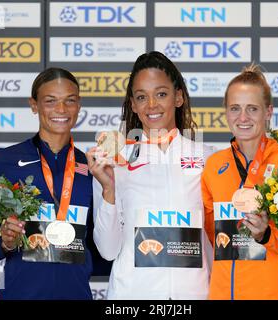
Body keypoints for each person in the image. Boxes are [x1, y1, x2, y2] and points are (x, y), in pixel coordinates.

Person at [87, 51, 214, 299]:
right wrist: (109, 190)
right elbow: (107, 250)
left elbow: (216, 243)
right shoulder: (113, 161)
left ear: (178, 97)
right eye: (142, 97)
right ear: (133, 104)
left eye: (161, 94)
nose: (152, 105)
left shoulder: (208, 158)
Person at [0, 67, 102, 300]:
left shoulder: (94, 168)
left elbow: (102, 250)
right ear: (34, 105)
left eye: (69, 101)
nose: (61, 110)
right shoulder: (4, 161)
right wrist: (6, 243)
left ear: (79, 105)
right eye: (50, 101)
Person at [201, 64, 278, 300]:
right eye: (235, 108)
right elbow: (212, 236)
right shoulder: (214, 166)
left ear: (268, 112)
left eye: (252, 109)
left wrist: (269, 236)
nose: (243, 117)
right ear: (225, 112)